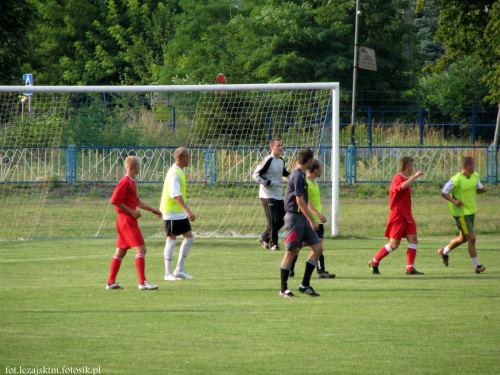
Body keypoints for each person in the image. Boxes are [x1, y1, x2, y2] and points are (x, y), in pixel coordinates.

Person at [106, 156, 162, 290]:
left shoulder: (131, 182)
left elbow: (136, 201)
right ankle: (142, 282)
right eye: (139, 166)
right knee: (141, 249)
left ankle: (111, 283)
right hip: (126, 220)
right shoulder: (126, 181)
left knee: (120, 252)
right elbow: (114, 200)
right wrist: (131, 212)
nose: (139, 168)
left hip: (124, 220)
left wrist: (152, 209)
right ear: (135, 167)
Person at [368, 156, 425, 275]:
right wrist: (415, 176)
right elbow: (400, 187)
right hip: (398, 216)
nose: (413, 169)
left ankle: (409, 268)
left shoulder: (405, 178)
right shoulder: (398, 178)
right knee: (394, 245)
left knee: (413, 240)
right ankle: (374, 261)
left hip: (407, 216)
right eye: (412, 166)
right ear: (408, 168)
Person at [279, 148, 323, 297]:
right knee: (291, 252)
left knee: (317, 248)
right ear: (310, 161)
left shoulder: (302, 175)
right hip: (294, 218)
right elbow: (299, 201)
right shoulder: (297, 176)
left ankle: (305, 284)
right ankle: (283, 289)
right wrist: (313, 220)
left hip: (303, 218)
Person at [437, 156, 487, 273]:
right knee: (471, 238)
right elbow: (444, 193)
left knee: (463, 238)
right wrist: (454, 201)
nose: (475, 167)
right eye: (474, 164)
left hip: (471, 211)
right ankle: (477, 266)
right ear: (468, 166)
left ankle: (444, 251)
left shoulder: (475, 176)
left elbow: (477, 189)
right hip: (461, 213)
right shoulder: (456, 179)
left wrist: (482, 190)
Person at [289, 159, 335, 279]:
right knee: (300, 247)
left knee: (318, 247)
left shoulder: (314, 182)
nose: (321, 170)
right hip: (310, 220)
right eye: (320, 168)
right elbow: (305, 201)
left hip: (317, 220)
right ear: (315, 170)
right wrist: (317, 215)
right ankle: (290, 269)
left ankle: (321, 271)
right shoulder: (306, 182)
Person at [160, 147, 196, 280]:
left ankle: (179, 269)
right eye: (189, 157)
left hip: (178, 212)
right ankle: (168, 273)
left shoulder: (178, 171)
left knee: (189, 238)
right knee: (171, 239)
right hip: (171, 212)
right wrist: (188, 210)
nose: (190, 159)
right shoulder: (174, 173)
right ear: (184, 158)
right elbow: (175, 194)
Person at [252, 138, 290, 251]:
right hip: (267, 194)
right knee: (273, 220)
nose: (280, 148)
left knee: (284, 218)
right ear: (272, 147)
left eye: (281, 145)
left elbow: (284, 173)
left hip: (278, 194)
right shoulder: (268, 160)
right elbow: (256, 175)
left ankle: (264, 237)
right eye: (278, 145)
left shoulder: (281, 160)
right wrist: (269, 182)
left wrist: (293, 177)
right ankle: (274, 243)